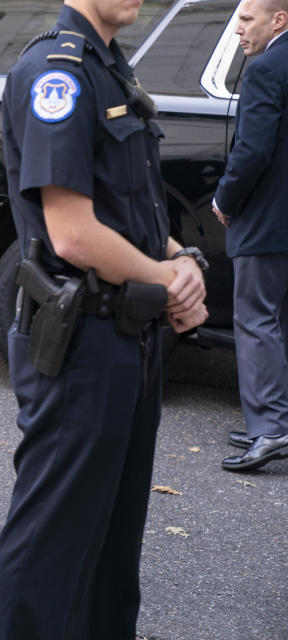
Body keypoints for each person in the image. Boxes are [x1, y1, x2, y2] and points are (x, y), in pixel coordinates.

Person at [0, 0, 210, 637]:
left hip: (128, 339)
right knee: (49, 542)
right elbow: (74, 235)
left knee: (111, 544)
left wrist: (179, 260)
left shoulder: (110, 68)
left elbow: (129, 213)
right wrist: (169, 280)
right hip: (78, 342)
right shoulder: (57, 73)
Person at [212, 0, 288, 472]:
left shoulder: (265, 69)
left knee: (256, 320)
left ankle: (269, 430)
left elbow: (252, 148)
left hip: (267, 219)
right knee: (279, 321)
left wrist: (224, 200)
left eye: (246, 19)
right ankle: (277, 419)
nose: (237, 29)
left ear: (279, 19)